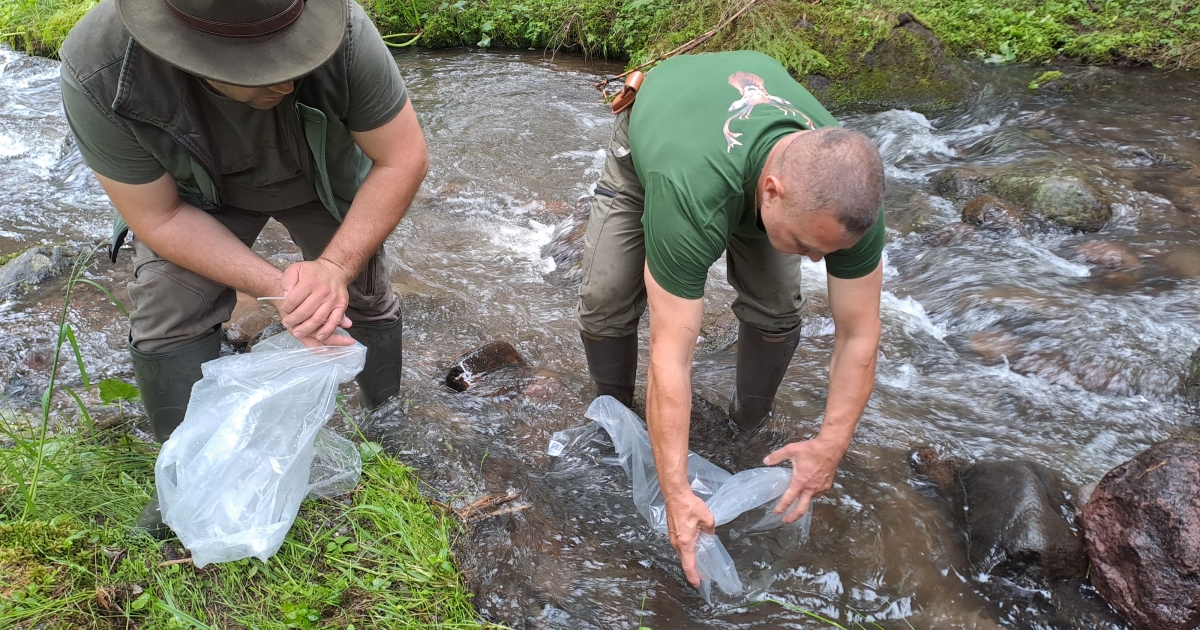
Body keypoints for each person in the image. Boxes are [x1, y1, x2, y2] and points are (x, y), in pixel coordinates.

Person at [58, 0, 429, 531]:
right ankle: (189, 473)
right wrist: (283, 289)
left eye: (295, 56)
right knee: (167, 313)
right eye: (261, 71)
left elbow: (403, 156)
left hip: (322, 178)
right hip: (193, 199)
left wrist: (333, 269)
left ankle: (385, 422)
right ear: (189, 57)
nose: (286, 78)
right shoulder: (101, 68)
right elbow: (158, 217)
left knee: (361, 296)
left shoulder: (343, 28)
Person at [576, 51, 886, 588]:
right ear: (772, 193)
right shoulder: (689, 184)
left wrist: (829, 447)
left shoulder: (848, 203)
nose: (818, 262)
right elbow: (670, 352)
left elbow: (859, 334)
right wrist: (676, 494)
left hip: (761, 172)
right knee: (606, 297)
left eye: (827, 251)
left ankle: (749, 423)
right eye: (810, 246)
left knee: (779, 304)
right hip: (662, 145)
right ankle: (614, 416)